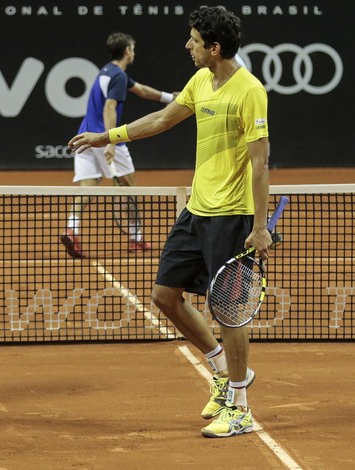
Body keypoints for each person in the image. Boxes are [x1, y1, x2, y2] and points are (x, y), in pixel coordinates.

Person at [68, 7, 272, 438]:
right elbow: (161, 119)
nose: (187, 45)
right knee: (164, 294)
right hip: (197, 209)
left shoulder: (249, 91)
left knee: (230, 312)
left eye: (195, 40)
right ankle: (222, 371)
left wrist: (259, 226)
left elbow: (260, 163)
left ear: (214, 48)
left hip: (232, 216)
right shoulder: (200, 81)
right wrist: (108, 136)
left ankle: (240, 406)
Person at [60, 32, 177, 259]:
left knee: (87, 187)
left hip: (85, 137)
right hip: (104, 138)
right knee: (131, 189)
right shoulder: (118, 77)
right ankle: (136, 238)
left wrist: (170, 98)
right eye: (132, 48)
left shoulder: (107, 71)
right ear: (127, 51)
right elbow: (109, 108)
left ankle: (71, 229)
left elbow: (142, 90)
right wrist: (110, 140)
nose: (134, 52)